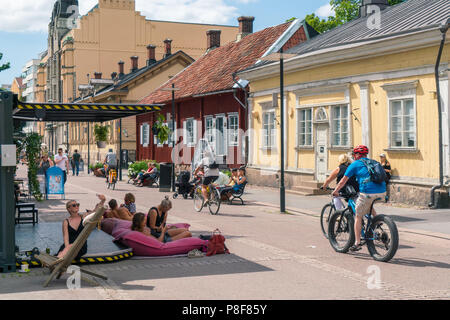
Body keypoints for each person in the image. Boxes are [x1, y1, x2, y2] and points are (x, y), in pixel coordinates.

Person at [332, 145, 386, 252]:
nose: (353, 156)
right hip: (382, 192)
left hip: (367, 193)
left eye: (354, 154)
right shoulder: (374, 162)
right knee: (369, 205)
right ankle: (377, 222)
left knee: (358, 215)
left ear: (356, 155)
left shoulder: (355, 164)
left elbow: (343, 181)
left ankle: (357, 242)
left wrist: (335, 191)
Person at [56, 194, 106, 259]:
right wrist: (67, 247)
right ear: (68, 208)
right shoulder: (66, 222)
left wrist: (103, 201)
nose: (76, 206)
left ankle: (57, 261)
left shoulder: (83, 216)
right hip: (68, 246)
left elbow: (95, 211)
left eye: (78, 205)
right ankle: (58, 260)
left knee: (62, 254)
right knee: (61, 253)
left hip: (80, 246)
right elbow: (66, 238)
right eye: (74, 205)